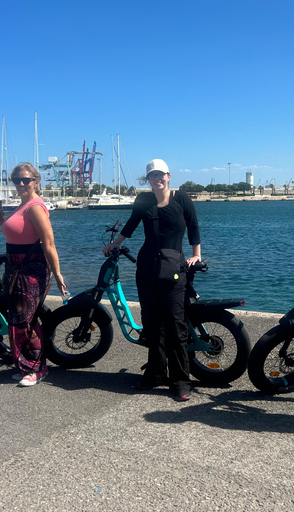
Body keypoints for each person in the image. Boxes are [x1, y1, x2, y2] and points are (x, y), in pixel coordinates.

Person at [102, 158, 201, 401]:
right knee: (152, 320)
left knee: (175, 323)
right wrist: (115, 244)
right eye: (152, 176)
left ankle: (180, 380)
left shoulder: (182, 198)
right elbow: (130, 226)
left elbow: (193, 227)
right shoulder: (143, 200)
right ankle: (156, 373)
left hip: (174, 266)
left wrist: (196, 255)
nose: (157, 179)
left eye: (161, 175)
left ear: (169, 176)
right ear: (148, 179)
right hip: (147, 266)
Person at [0, 163, 67, 387]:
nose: (21, 184)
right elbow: (16, 234)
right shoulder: (21, 205)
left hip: (31, 267)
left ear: (36, 181)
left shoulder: (35, 206)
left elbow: (49, 242)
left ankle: (37, 368)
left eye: (26, 180)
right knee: (17, 318)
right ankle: (25, 364)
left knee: (25, 318)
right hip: (15, 266)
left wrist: (58, 272)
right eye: (17, 180)